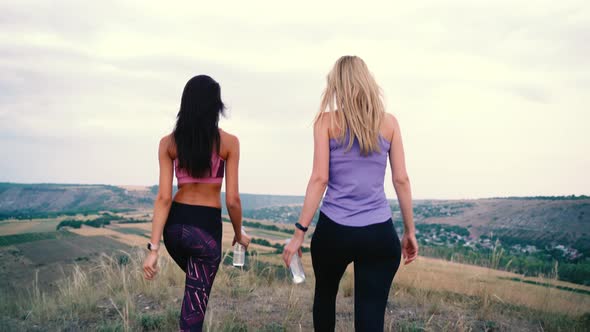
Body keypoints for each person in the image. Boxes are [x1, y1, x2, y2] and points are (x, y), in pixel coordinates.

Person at [283, 56, 418, 331]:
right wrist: (409, 231)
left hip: (335, 231)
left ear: (337, 86)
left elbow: (319, 179)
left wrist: (299, 234)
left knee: (324, 298)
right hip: (378, 233)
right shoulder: (389, 123)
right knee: (370, 317)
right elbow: (401, 179)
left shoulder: (325, 122)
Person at [143, 75, 250, 332]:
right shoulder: (229, 143)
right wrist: (239, 234)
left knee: (195, 290)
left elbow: (164, 198)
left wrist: (154, 249)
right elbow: (232, 200)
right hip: (205, 232)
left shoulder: (168, 143)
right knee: (194, 310)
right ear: (216, 107)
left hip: (175, 231)